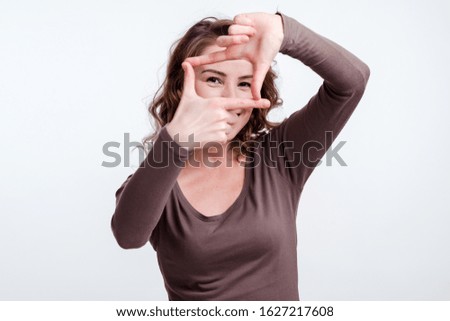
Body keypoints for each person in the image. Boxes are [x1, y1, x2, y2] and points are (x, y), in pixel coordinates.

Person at [111, 10, 370, 301]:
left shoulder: (279, 157)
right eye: (213, 79)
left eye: (245, 83)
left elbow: (353, 82)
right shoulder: (156, 180)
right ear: (181, 87)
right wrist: (174, 141)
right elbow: (128, 236)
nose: (230, 99)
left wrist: (284, 32)